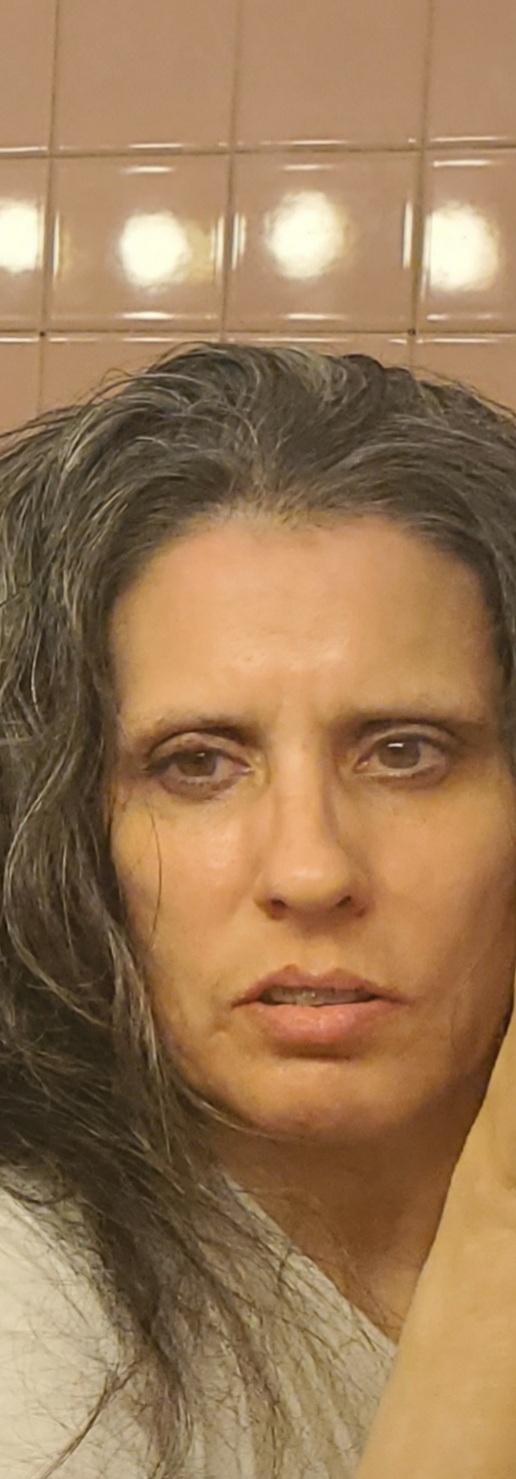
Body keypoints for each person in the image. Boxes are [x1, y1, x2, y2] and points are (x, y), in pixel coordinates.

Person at [1, 341, 516, 1478]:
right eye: (197, 763)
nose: (312, 870)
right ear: (72, 834)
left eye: (406, 751)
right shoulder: (28, 1304)